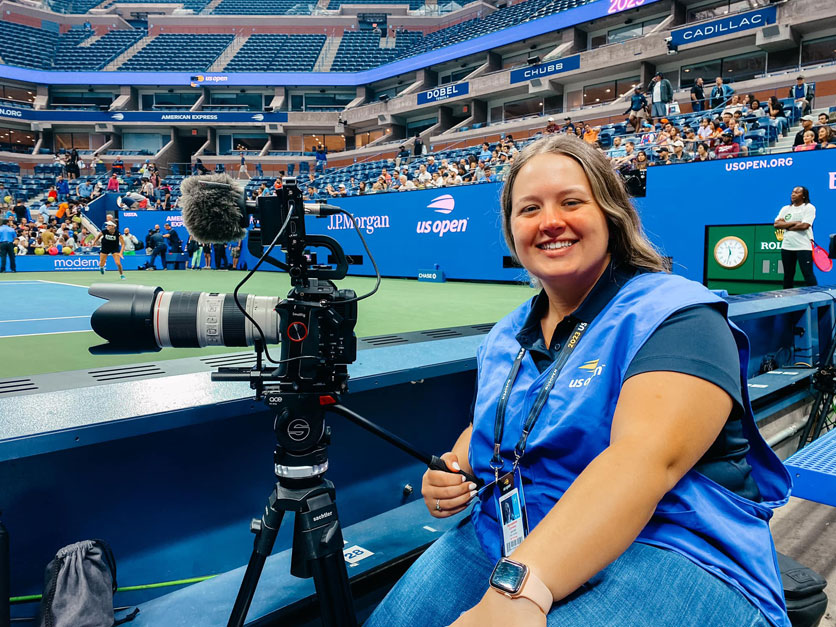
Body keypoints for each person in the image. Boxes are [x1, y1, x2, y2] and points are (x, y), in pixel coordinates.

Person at [365, 134, 790, 627]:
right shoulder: (506, 334)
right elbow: (498, 428)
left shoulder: (677, 313)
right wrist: (455, 466)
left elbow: (644, 461)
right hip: (511, 535)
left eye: (571, 202)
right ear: (511, 230)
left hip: (674, 545)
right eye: (529, 209)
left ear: (610, 214)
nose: (550, 222)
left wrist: (520, 591)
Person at [774, 186, 817, 289]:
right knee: (788, 275)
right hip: (787, 246)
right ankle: (787, 300)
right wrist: (794, 223)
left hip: (804, 247)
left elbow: (804, 225)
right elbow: (776, 224)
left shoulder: (809, 207)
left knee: (808, 274)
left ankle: (818, 301)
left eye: (797, 192)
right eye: (792, 192)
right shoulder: (785, 209)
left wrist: (786, 225)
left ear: (803, 196)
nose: (793, 194)